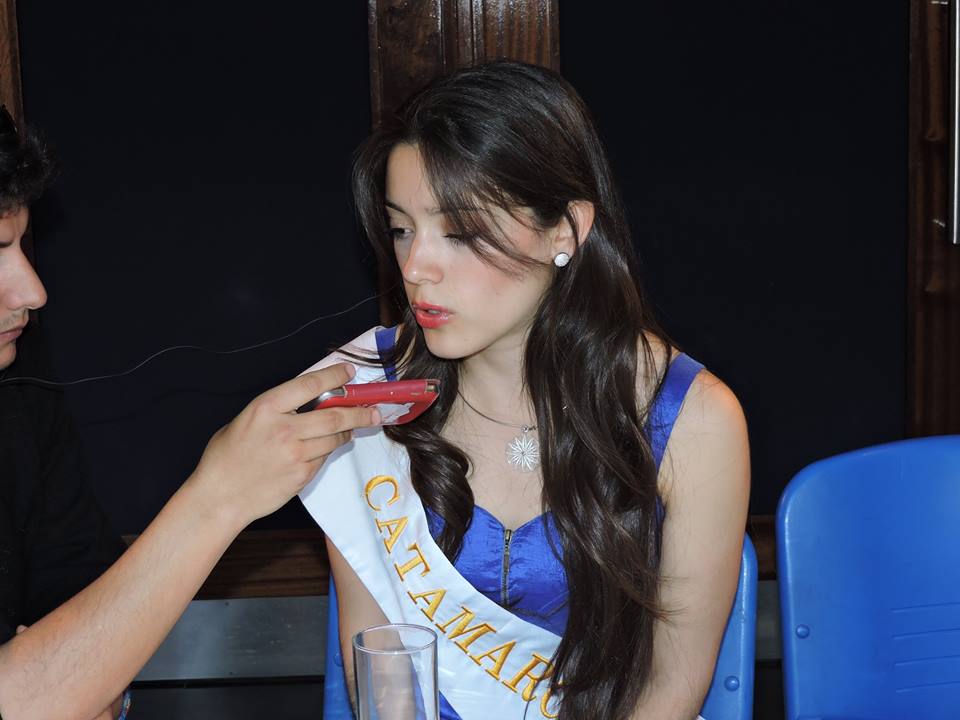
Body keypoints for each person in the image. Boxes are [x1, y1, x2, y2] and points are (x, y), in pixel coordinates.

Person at [299, 61, 750, 720]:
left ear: (565, 230)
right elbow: (379, 672)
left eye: (460, 231)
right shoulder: (366, 394)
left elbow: (672, 689)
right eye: (401, 229)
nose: (416, 268)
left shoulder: (693, 418)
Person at [0, 107, 380, 720]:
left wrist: (81, 676)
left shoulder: (19, 383)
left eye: (20, 245)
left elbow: (77, 590)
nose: (32, 291)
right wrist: (220, 493)